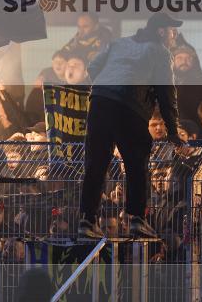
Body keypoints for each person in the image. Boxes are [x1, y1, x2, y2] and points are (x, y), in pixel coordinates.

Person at [77, 13, 186, 240]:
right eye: (172, 31)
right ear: (161, 32)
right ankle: (137, 218)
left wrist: (107, 87)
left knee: (96, 162)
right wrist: (173, 132)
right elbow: (167, 95)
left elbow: (93, 66)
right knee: (137, 162)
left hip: (99, 102)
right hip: (128, 106)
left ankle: (87, 220)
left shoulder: (119, 43)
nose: (175, 35)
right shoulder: (160, 52)